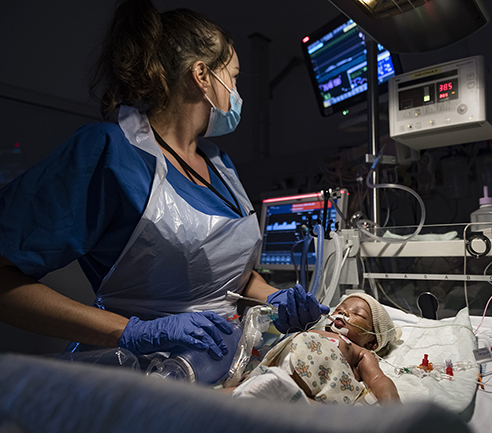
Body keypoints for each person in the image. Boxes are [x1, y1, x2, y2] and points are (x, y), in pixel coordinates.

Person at [0, 0, 328, 380]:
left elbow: (228, 277)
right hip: (140, 376)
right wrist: (132, 331)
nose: (236, 92)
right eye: (233, 78)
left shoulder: (220, 166)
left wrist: (270, 294)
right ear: (202, 76)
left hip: (221, 366)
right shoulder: (109, 152)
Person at [231, 293, 402, 404]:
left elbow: (379, 379)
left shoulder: (361, 352)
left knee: (303, 405)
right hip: (272, 374)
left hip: (305, 390)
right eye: (340, 309)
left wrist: (393, 408)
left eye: (358, 314)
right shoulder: (316, 330)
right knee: (231, 394)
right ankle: (204, 403)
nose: (343, 313)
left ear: (372, 342)